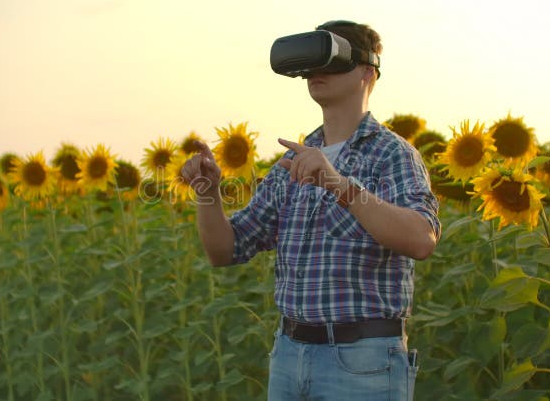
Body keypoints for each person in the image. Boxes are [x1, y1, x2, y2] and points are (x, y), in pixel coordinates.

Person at [180, 20, 441, 400]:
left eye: (332, 61)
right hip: (288, 355)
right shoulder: (295, 161)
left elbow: (421, 239)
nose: (316, 74)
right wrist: (207, 194)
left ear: (368, 71)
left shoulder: (392, 155)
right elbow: (225, 250)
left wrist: (339, 184)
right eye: (311, 65)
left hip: (362, 363)